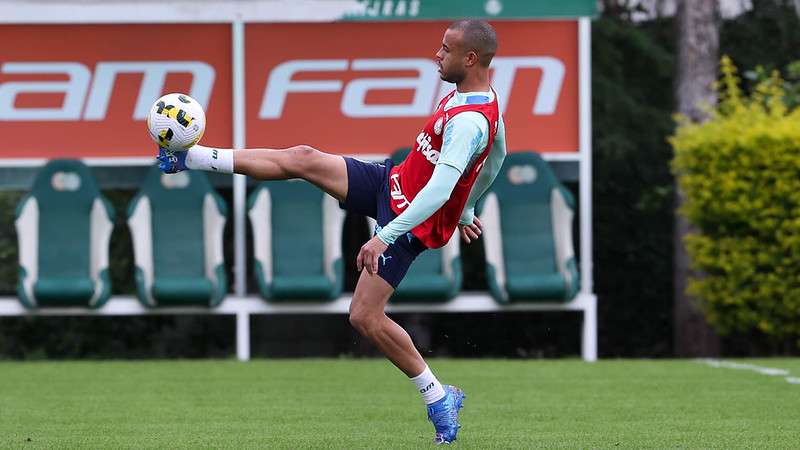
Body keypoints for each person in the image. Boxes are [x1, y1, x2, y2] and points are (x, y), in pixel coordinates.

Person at [157, 19, 506, 445]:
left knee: (364, 316)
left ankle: (438, 397)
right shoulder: (480, 98)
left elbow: (437, 192)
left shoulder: (469, 121)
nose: (437, 54)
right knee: (303, 158)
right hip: (390, 183)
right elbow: (498, 154)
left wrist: (386, 235)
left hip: (410, 223)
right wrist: (469, 208)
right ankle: (189, 159)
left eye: (446, 49)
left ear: (470, 59)